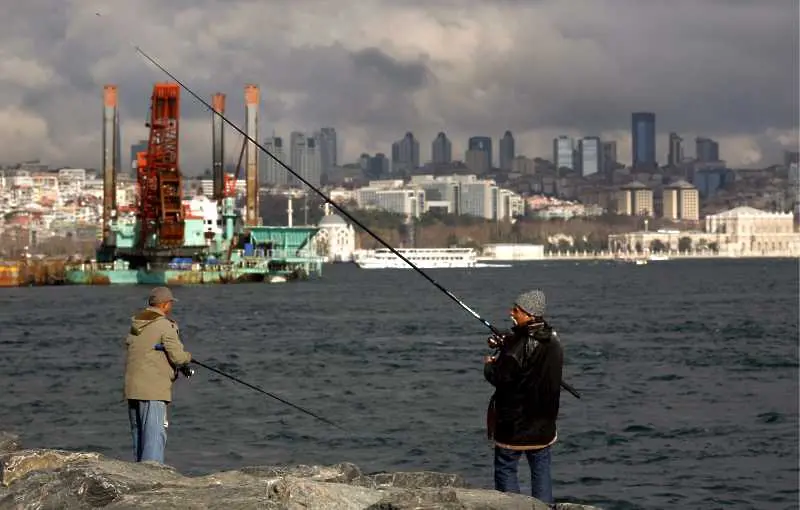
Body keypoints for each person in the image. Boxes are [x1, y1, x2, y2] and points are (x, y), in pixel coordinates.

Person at [483, 289, 563, 504]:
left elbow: (501, 378)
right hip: (544, 423)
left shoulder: (515, 349)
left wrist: (490, 366)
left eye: (516, 310)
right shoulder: (553, 341)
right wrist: (508, 343)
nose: (511, 312)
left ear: (529, 314)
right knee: (541, 470)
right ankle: (545, 507)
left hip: (515, 426)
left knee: (506, 468)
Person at [123, 286, 193, 463]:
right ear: (165, 305)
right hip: (153, 390)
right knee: (154, 438)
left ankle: (139, 477)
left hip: (132, 389)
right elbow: (178, 357)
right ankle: (152, 483)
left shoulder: (136, 323)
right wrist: (188, 358)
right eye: (170, 303)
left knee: (139, 438)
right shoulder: (164, 325)